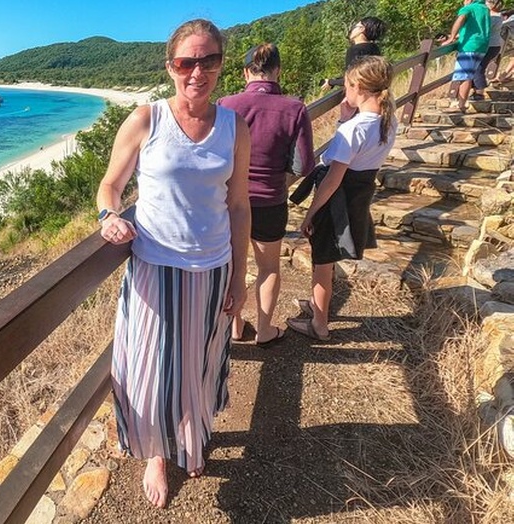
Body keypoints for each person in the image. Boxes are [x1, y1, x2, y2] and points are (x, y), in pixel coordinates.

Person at [96, 18, 250, 509]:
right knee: (153, 370)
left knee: (200, 364)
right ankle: (156, 453)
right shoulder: (148, 119)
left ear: (221, 66)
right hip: (155, 266)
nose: (197, 72)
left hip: (214, 266)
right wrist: (108, 217)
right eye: (187, 62)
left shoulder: (234, 126)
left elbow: (240, 204)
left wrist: (241, 276)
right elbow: (110, 186)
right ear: (171, 67)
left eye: (208, 61)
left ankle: (191, 436)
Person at [286, 55, 397, 341]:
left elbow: (333, 177)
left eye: (347, 85)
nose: (343, 91)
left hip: (337, 198)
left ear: (358, 86)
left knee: (322, 260)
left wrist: (311, 212)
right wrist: (344, 119)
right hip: (358, 194)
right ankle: (316, 305)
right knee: (330, 255)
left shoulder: (355, 129)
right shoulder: (387, 122)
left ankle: (319, 324)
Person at [217, 43, 315, 346]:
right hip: (270, 201)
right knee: (269, 267)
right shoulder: (294, 108)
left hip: (228, 202)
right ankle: (264, 330)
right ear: (278, 71)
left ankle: (235, 327)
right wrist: (278, 179)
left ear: (246, 72)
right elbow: (304, 164)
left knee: (233, 264)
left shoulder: (225, 104)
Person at [322, 16, 386, 122]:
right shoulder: (374, 48)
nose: (352, 29)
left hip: (360, 100)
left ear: (362, 29)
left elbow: (352, 78)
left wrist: (331, 82)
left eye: (355, 26)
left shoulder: (354, 50)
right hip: (374, 101)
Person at [440, 0, 491, 112]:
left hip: (469, 46)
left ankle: (461, 104)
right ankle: (461, 102)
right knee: (469, 74)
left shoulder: (468, 8)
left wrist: (452, 37)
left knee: (464, 76)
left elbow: (461, 19)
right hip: (482, 46)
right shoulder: (484, 8)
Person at [473, 0, 505, 97]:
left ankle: (479, 92)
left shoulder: (492, 17)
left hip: (489, 46)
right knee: (479, 67)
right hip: (494, 45)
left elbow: (481, 30)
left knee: (478, 68)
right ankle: (477, 90)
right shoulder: (499, 16)